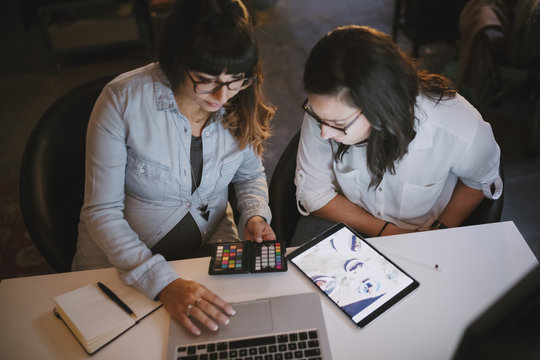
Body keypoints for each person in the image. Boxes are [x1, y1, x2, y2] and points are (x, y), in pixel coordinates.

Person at [72, 0, 276, 336]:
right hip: (121, 266)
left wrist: (254, 215)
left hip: (209, 251)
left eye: (235, 79)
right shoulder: (122, 101)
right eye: (206, 80)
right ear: (176, 60)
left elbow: (250, 175)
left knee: (231, 334)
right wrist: (164, 283)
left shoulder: (240, 97)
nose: (222, 95)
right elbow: (102, 213)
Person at [293, 25, 502, 244]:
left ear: (381, 107)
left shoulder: (457, 125)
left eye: (339, 124)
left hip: (422, 236)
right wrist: (387, 233)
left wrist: (439, 231)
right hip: (345, 224)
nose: (324, 133)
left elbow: (479, 181)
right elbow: (314, 194)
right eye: (318, 117)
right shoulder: (326, 111)